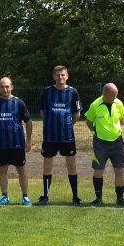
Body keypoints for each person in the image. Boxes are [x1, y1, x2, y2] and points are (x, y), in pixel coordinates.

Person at [38, 65, 83, 205]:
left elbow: (77, 113)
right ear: (53, 76)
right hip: (50, 136)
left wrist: (68, 124)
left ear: (67, 76)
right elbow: (42, 111)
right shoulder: (47, 92)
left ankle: (75, 197)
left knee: (71, 165)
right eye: (58, 75)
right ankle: (45, 196)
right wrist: (48, 123)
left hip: (67, 136)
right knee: (47, 165)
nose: (60, 77)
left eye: (63, 74)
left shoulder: (73, 92)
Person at [0, 77, 33, 206]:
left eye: (7, 86)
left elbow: (28, 121)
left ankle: (25, 197)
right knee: (3, 170)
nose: (5, 89)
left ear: (12, 87)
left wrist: (28, 140)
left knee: (21, 170)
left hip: (17, 144)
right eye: (2, 86)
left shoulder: (19, 103)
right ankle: (4, 196)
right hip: (1, 145)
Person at [84, 83, 124, 206]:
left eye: (116, 95)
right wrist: (95, 133)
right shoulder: (95, 105)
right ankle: (98, 199)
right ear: (104, 94)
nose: (115, 97)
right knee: (98, 171)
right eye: (113, 95)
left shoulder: (119, 103)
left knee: (119, 170)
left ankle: (120, 199)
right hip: (100, 144)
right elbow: (89, 121)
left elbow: (122, 119)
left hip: (117, 143)